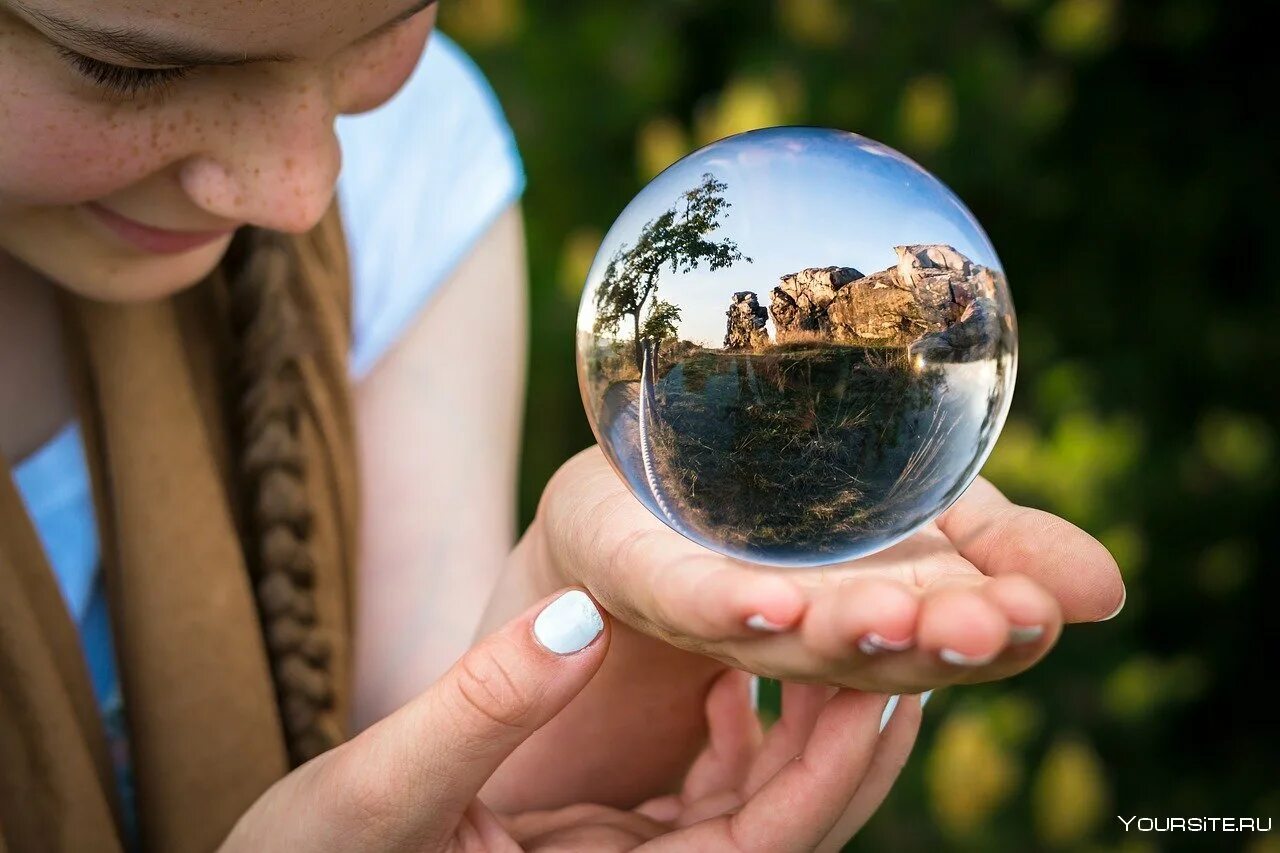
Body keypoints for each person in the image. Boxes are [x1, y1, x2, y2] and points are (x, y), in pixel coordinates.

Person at [0, 0, 1126, 850]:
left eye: (385, 28)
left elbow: (432, 771)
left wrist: (594, 654)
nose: (299, 193)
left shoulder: (412, 169)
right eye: (122, 69)